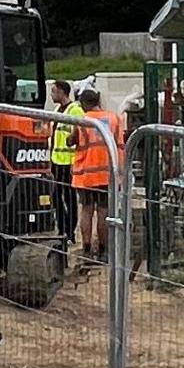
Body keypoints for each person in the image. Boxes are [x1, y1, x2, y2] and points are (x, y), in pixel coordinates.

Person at [64, 91, 114, 263]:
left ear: (83, 103)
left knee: (86, 210)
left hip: (85, 174)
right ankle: (103, 250)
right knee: (103, 211)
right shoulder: (113, 118)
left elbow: (70, 141)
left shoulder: (82, 121)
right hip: (106, 173)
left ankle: (86, 249)